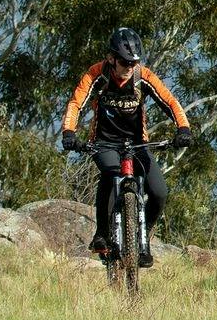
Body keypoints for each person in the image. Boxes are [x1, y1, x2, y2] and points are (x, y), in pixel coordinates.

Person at [61, 27, 193, 266]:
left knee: (159, 192)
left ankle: (144, 238)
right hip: (104, 143)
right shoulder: (96, 75)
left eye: (133, 63)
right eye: (124, 62)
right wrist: (69, 132)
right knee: (111, 174)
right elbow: (75, 104)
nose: (129, 67)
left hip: (138, 144)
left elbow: (170, 101)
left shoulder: (142, 76)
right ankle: (102, 233)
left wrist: (183, 129)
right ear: (111, 58)